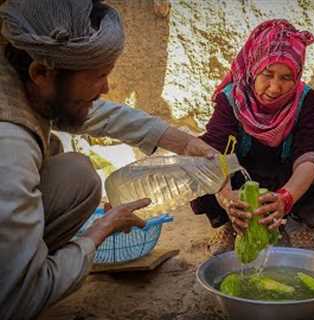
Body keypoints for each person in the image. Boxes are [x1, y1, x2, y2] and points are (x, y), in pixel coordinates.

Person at [0, 1, 216, 319]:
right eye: (99, 76)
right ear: (41, 73)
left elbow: (94, 112)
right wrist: (99, 231)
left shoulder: (19, 75)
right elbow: (16, 300)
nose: (107, 87)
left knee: (77, 174)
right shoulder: (11, 145)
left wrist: (182, 141)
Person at [191, 19, 314, 255]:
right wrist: (227, 200)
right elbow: (215, 151)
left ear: (297, 75)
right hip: (239, 183)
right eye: (268, 74)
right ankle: (226, 224)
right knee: (197, 156)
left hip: (286, 180)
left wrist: (286, 197)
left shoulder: (307, 100)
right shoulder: (230, 100)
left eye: (286, 78)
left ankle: (298, 221)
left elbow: (310, 151)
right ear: (254, 67)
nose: (275, 88)